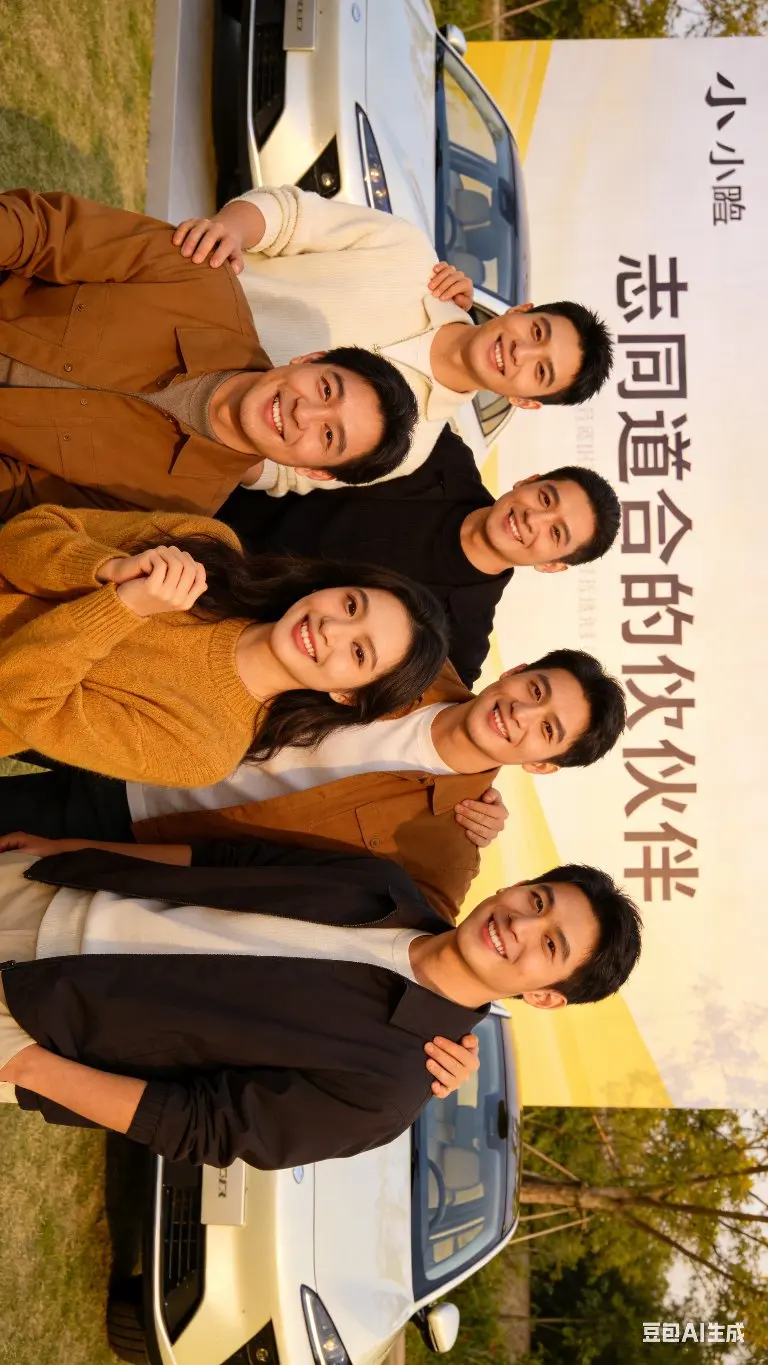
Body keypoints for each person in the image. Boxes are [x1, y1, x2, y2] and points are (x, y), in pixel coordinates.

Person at [0, 833, 642, 1168]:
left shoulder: (390, 1087)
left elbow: (201, 1127)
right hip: (53, 889)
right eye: (536, 900)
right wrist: (73, 853)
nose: (520, 925)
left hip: (35, 1024)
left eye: (550, 945)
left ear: (543, 997)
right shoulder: (383, 886)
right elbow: (229, 859)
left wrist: (25, 1062)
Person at [4, 648, 625, 924]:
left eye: (547, 730)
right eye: (535, 690)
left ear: (543, 765)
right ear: (518, 671)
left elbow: (421, 951)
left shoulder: (449, 850)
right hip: (134, 721)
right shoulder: (415, 656)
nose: (521, 713)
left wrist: (447, 1045)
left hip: (133, 827)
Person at [0, 189, 419, 519]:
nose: (303, 413)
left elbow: (21, 494)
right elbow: (42, 231)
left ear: (314, 472)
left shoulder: (175, 507)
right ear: (310, 358)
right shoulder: (201, 275)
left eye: (328, 436)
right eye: (326, 389)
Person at [173, 184, 615, 495]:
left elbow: (282, 474)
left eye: (541, 371)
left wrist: (214, 436)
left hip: (169, 414)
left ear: (525, 402)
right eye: (537, 332)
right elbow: (291, 217)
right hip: (164, 297)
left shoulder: (411, 448)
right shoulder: (408, 252)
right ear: (520, 310)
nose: (521, 352)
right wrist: (229, 230)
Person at [0, 503, 446, 786]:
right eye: (351, 605)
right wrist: (108, 568)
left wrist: (125, 606)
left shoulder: (201, 751)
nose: (332, 628)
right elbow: (26, 533)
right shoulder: (209, 549)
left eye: (359, 652)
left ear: (347, 695)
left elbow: (19, 700)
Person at [218, 434, 621, 684]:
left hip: (214, 619)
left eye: (555, 533)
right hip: (212, 495)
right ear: (528, 481)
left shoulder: (460, 647)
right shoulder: (438, 454)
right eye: (546, 498)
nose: (533, 519)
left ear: (552, 565)